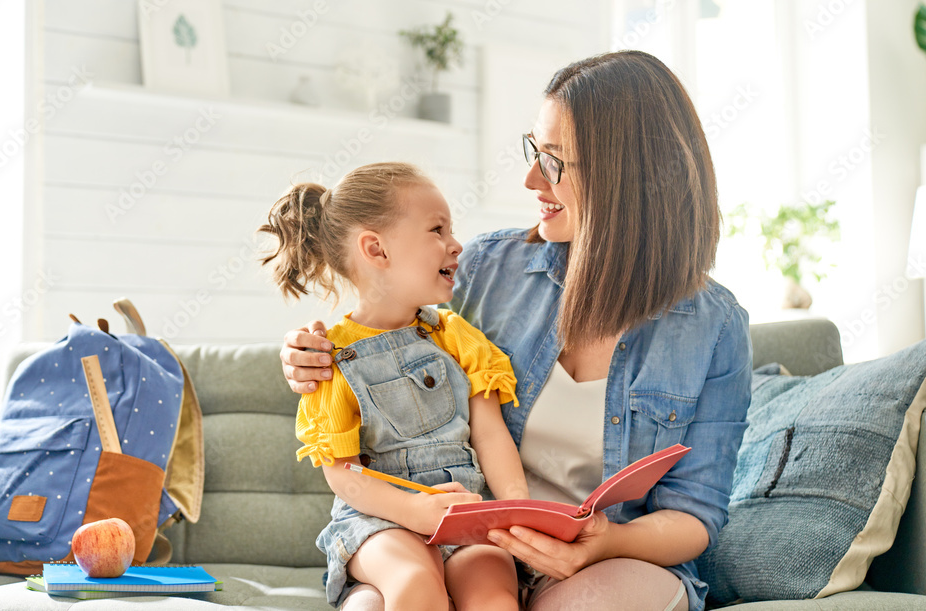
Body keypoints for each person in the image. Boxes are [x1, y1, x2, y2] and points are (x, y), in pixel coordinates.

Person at [278, 50, 753, 611]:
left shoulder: (714, 326)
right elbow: (390, 333)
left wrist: (605, 544)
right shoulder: (487, 269)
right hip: (467, 542)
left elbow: (695, 513)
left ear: (627, 177)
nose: (531, 179)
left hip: (600, 562)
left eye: (553, 162)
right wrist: (310, 357)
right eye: (535, 151)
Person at [259, 162, 530, 611]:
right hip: (380, 520)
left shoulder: (457, 337)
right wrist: (413, 513)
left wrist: (517, 508)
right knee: (415, 583)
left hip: (463, 513)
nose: (456, 244)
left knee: (495, 597)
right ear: (377, 249)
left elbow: (489, 433)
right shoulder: (331, 360)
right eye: (437, 230)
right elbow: (342, 474)